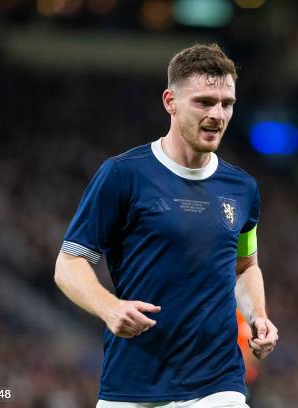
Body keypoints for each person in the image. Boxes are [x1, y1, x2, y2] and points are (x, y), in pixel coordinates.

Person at [54, 43, 278, 408]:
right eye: (204, 102)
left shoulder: (243, 189)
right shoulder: (123, 175)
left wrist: (258, 317)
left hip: (218, 382)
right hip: (133, 383)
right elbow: (69, 264)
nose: (218, 114)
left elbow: (245, 266)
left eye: (227, 103)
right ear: (170, 101)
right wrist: (110, 308)